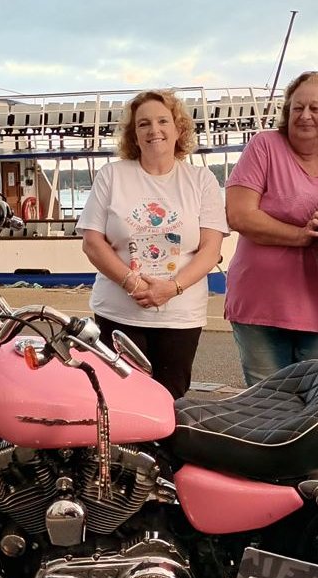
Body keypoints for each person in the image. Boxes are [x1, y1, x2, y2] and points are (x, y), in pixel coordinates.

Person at [223, 70, 318, 386]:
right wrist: (302, 235)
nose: (304, 116)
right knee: (268, 408)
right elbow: (239, 215)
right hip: (262, 304)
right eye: (297, 108)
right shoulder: (264, 146)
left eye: (315, 108)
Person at [77, 90, 228, 398]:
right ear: (134, 132)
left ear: (178, 129)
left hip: (180, 316)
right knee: (119, 400)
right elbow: (93, 242)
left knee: (168, 401)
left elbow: (210, 250)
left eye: (162, 121)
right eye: (143, 123)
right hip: (118, 313)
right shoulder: (112, 175)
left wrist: (170, 288)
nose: (153, 130)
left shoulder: (201, 180)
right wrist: (131, 282)